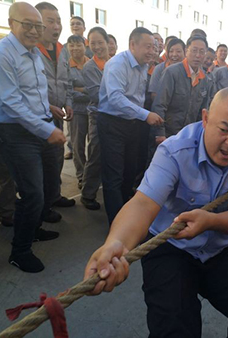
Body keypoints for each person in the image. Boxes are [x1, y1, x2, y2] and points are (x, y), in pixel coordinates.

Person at [84, 87, 228, 337]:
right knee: (176, 329)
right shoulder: (174, 150)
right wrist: (116, 244)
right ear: (206, 118)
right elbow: (143, 203)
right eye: (224, 129)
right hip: (169, 248)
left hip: (217, 249)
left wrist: (210, 220)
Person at [0, 1, 65, 272]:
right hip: (16, 132)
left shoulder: (32, 53)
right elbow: (10, 103)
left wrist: (49, 110)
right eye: (28, 25)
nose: (34, 31)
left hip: (39, 125)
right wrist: (47, 129)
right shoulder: (0, 54)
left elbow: (31, 94)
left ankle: (33, 229)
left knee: (46, 188)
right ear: (11, 23)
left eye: (38, 26)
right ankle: (19, 251)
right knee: (32, 193)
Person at [97, 27, 163, 224]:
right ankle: (117, 225)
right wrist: (145, 115)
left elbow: (138, 97)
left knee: (130, 170)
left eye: (154, 47)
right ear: (132, 45)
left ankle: (126, 213)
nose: (152, 51)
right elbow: (115, 98)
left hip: (132, 123)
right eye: (148, 46)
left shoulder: (144, 65)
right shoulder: (117, 64)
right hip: (112, 123)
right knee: (114, 175)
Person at [35, 2, 75, 218]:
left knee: (56, 158)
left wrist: (68, 102)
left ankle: (54, 195)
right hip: (37, 117)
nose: (56, 26)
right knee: (40, 163)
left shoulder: (62, 50)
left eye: (58, 21)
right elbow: (27, 90)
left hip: (58, 115)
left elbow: (67, 82)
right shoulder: (31, 51)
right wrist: (48, 106)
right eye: (50, 21)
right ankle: (41, 207)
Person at [152, 35, 209, 141]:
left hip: (188, 136)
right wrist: (160, 133)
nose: (197, 55)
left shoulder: (205, 79)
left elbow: (202, 111)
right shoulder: (172, 72)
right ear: (187, 51)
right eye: (194, 50)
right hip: (168, 134)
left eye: (202, 52)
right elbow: (159, 104)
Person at [80, 27, 110, 211]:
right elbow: (96, 93)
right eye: (93, 43)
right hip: (98, 115)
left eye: (100, 42)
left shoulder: (114, 62)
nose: (97, 47)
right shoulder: (90, 67)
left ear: (107, 42)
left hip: (115, 116)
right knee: (95, 154)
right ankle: (87, 194)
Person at [66, 35, 90, 193]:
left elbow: (99, 88)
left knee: (95, 146)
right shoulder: (66, 66)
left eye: (78, 45)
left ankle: (91, 176)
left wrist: (79, 89)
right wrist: (86, 92)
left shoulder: (92, 64)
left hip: (94, 110)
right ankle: (81, 176)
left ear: (84, 46)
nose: (75, 48)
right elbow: (68, 90)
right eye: (71, 45)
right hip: (76, 111)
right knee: (77, 145)